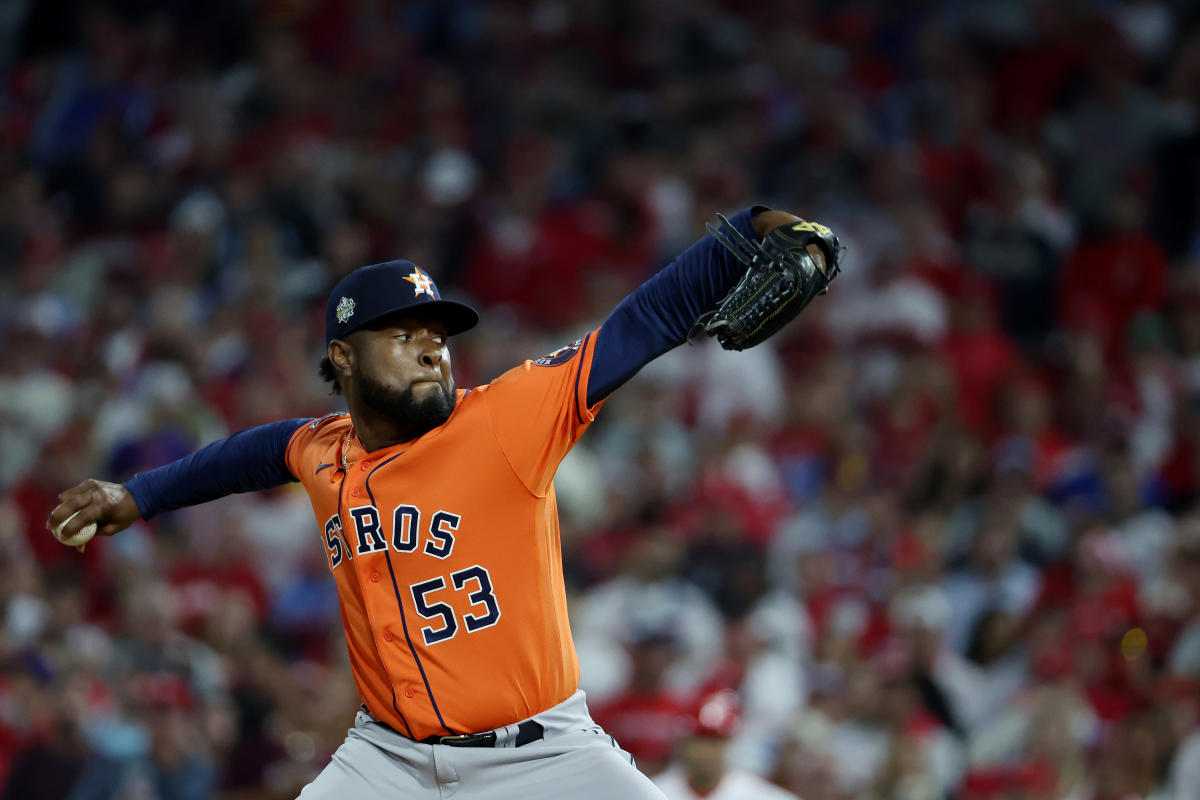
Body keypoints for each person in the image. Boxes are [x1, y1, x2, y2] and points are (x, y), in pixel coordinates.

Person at [46, 205, 831, 799]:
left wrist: (758, 223)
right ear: (343, 357)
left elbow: (647, 319)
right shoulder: (323, 449)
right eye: (404, 332)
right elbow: (250, 453)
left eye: (439, 332)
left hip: (544, 758)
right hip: (384, 760)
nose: (431, 344)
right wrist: (138, 495)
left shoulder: (508, 419)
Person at [653, 690, 800, 800]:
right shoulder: (655, 792)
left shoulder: (758, 794)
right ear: (684, 743)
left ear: (729, 743)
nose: (707, 751)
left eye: (715, 741)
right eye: (700, 740)